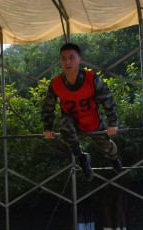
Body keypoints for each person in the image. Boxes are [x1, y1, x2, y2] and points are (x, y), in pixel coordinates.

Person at [42, 42, 123, 182]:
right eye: (63, 58)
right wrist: (47, 128)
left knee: (107, 148)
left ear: (80, 59)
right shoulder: (55, 83)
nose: (67, 62)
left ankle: (114, 160)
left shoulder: (92, 78)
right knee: (64, 123)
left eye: (72, 57)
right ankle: (82, 158)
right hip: (72, 122)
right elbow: (48, 106)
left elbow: (108, 100)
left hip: (93, 122)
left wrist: (113, 124)